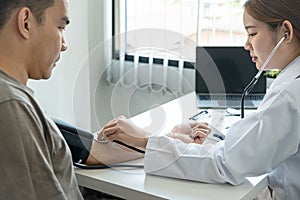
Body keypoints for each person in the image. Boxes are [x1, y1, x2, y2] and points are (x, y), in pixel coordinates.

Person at [100, 0, 300, 199]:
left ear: (286, 32)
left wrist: (141, 141)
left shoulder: (290, 95)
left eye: (252, 33)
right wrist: (218, 140)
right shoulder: (291, 83)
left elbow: (225, 165)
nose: (246, 44)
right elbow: (257, 144)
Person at [0, 0, 143, 199]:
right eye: (60, 27)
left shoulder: (17, 101)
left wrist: (152, 142)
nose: (65, 45)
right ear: (26, 23)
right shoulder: (12, 106)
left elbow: (90, 149)